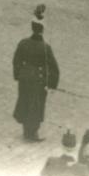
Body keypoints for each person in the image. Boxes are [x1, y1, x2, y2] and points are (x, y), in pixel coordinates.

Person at [13, 12, 60, 142]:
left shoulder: (23, 43)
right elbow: (54, 68)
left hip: (25, 79)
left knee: (25, 101)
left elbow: (16, 60)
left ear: (32, 27)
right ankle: (32, 133)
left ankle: (26, 131)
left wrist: (18, 75)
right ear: (43, 29)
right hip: (38, 81)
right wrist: (52, 85)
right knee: (36, 107)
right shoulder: (45, 48)